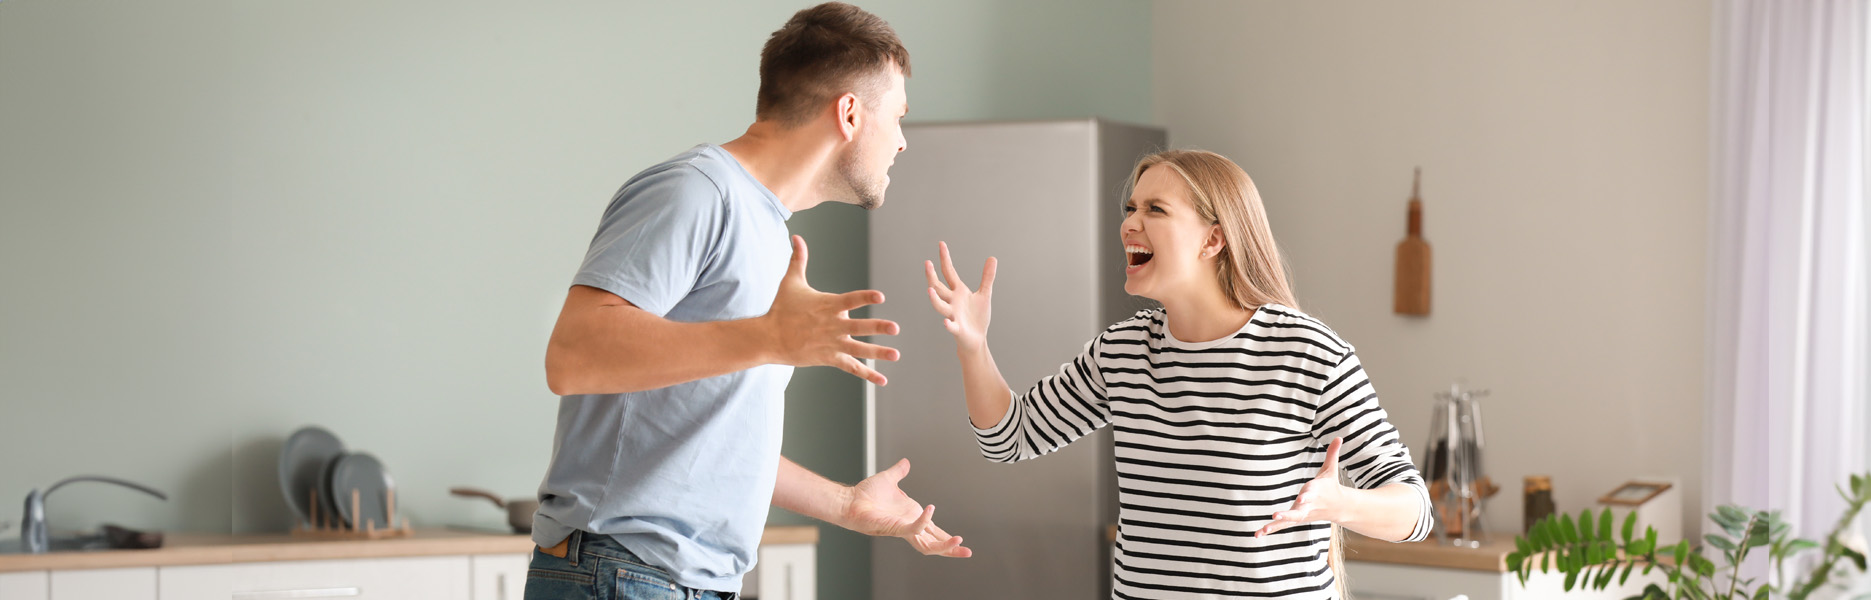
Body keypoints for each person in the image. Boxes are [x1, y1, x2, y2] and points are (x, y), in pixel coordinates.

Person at [528, 4, 969, 599]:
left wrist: (847, 505)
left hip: (680, 580)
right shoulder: (696, 191)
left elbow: (703, 436)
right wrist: (770, 337)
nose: (902, 143)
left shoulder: (768, 229)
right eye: (897, 118)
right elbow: (573, 356)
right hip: (623, 572)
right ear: (849, 113)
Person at [924, 150, 1432, 599]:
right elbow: (1011, 437)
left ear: (1213, 240)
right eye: (1130, 208)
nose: (1129, 223)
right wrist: (974, 346)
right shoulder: (1122, 352)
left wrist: (1340, 504)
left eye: (1155, 210)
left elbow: (1415, 510)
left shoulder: (1307, 354)